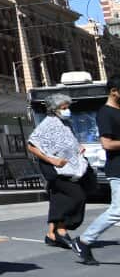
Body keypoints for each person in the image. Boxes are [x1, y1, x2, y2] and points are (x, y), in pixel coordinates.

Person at [27, 93, 94, 251]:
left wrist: (78, 148)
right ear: (54, 109)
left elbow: (69, 141)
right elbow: (32, 145)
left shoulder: (65, 123)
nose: (67, 110)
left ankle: (51, 234)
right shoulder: (47, 125)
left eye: (67, 107)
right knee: (77, 195)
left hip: (68, 167)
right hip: (55, 168)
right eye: (64, 107)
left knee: (58, 198)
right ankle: (61, 230)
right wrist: (52, 160)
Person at [74, 74, 120, 265]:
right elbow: (107, 144)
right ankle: (84, 241)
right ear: (114, 91)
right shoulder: (106, 113)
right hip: (118, 169)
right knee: (117, 211)